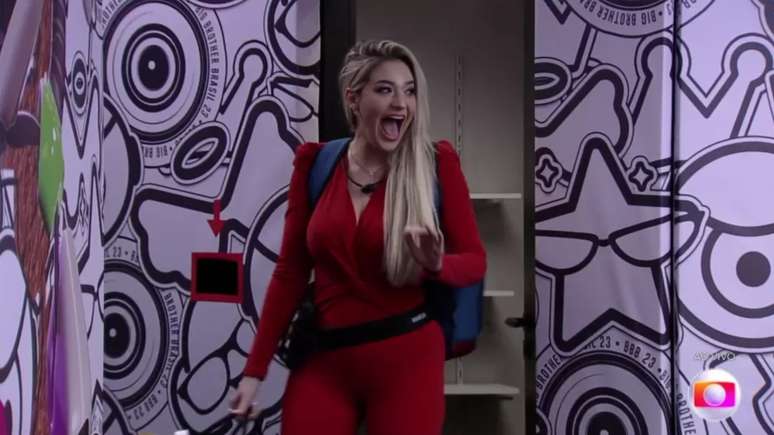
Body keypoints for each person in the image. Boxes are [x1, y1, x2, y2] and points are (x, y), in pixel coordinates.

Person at [230, 39, 486, 435]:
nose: (401, 104)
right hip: (325, 360)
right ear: (353, 99)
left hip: (408, 360)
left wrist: (437, 265)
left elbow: (474, 261)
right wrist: (254, 371)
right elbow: (290, 272)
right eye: (385, 90)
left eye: (409, 91)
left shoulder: (436, 165)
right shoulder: (315, 164)